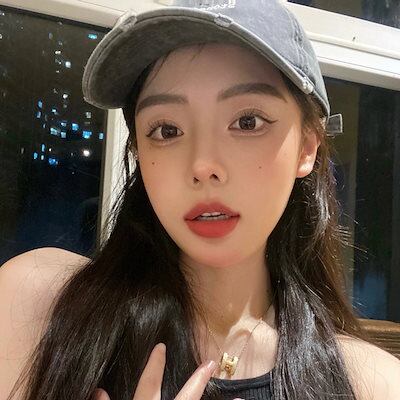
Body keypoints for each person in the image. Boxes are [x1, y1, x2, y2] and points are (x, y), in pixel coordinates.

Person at [1, 1, 400, 399]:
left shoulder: (373, 384)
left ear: (306, 148)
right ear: (139, 150)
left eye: (247, 122)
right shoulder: (36, 308)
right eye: (167, 130)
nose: (203, 165)